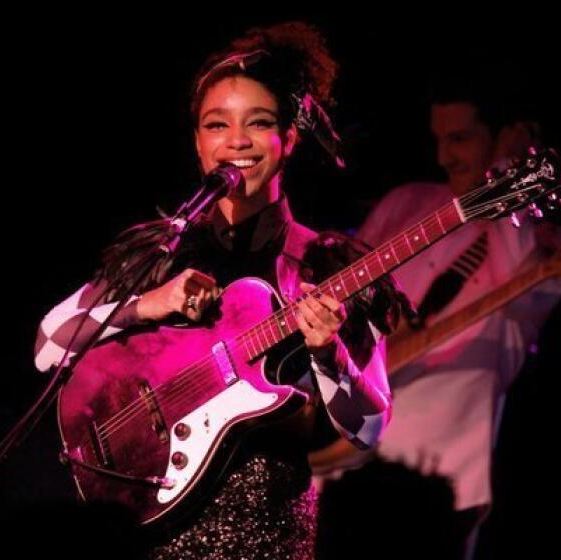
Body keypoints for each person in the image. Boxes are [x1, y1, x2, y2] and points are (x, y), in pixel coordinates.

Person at [33, 21, 403, 559]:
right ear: (198, 145)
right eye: (216, 125)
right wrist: (148, 304)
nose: (236, 141)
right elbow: (48, 345)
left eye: (258, 123)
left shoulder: (324, 264)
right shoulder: (161, 252)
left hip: (267, 536)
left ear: (289, 139)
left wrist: (329, 354)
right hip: (145, 530)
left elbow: (370, 428)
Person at [313, 63, 561, 560]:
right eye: (438, 139)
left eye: (461, 139)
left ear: (503, 140)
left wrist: (503, 177)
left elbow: (524, 300)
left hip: (441, 484)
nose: (444, 155)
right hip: (345, 466)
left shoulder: (543, 244)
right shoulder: (409, 201)